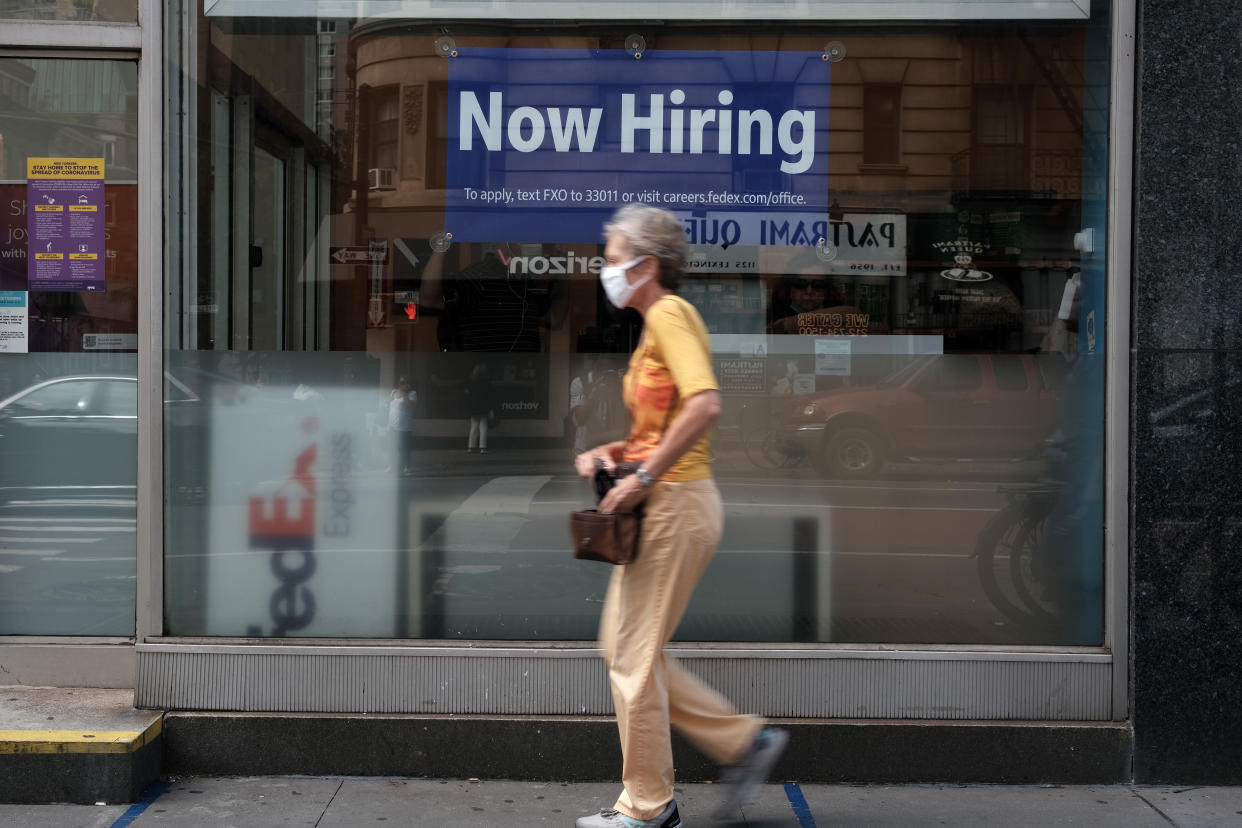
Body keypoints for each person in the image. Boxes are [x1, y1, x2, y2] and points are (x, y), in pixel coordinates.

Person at [573, 205, 787, 828]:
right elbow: (662, 427)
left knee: (633, 659)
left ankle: (647, 808)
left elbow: (706, 406)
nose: (605, 270)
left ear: (645, 265)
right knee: (623, 646)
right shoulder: (652, 329)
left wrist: (640, 478)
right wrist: (613, 453)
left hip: (674, 506)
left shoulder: (670, 314)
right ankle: (743, 742)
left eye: (612, 261)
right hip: (668, 502)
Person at [388, 376, 417, 474]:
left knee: (405, 448)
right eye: (400, 382)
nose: (401, 384)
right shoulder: (393, 392)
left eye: (404, 382)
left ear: (408, 384)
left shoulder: (412, 394)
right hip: (392, 426)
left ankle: (407, 467)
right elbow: (389, 404)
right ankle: (392, 465)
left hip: (405, 427)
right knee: (392, 447)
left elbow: (409, 405)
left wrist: (404, 393)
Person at [464, 362, 492, 454]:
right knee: (483, 428)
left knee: (474, 427)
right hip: (483, 407)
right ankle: (482, 448)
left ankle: (471, 447)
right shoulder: (487, 382)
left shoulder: (471, 381)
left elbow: (468, 394)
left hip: (474, 407)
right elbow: (489, 396)